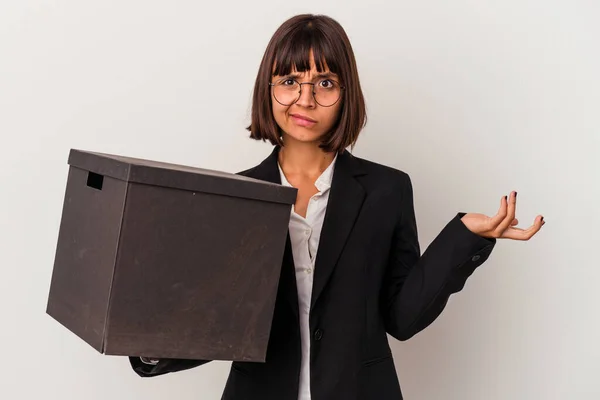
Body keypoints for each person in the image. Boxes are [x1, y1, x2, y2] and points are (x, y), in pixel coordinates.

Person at [129, 13, 545, 400]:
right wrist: (151, 350)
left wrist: (464, 238)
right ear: (268, 89)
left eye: (324, 83)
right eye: (290, 81)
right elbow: (217, 325)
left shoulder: (388, 190)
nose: (305, 100)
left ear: (346, 93)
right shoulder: (234, 196)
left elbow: (402, 318)